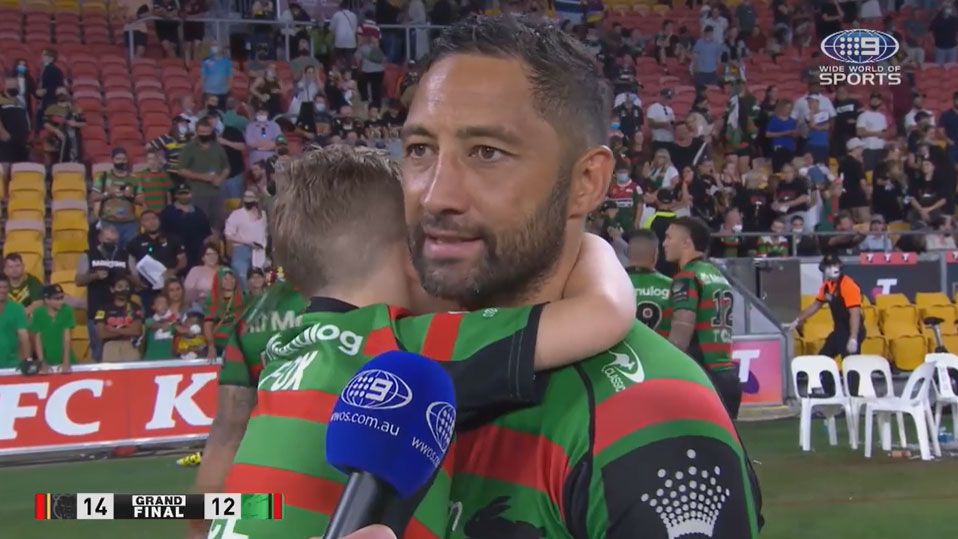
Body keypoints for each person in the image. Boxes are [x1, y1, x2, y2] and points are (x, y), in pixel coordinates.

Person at [399, 15, 760, 537]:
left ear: (587, 182)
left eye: (486, 153)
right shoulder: (387, 367)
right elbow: (255, 507)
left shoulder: (654, 422)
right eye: (419, 150)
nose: (435, 195)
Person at [194, 147, 637, 539]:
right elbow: (603, 311)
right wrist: (585, 240)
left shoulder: (284, 354)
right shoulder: (411, 347)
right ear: (413, 255)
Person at [661, 216, 741, 418]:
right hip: (727, 374)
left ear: (686, 243)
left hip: (702, 377)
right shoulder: (718, 276)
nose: (664, 243)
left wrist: (660, 370)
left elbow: (681, 333)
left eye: (669, 238)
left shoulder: (687, 277)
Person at [789, 254, 864, 390]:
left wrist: (853, 338)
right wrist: (797, 320)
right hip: (839, 331)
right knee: (823, 360)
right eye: (828, 266)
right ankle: (831, 393)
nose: (831, 269)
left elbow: (855, 313)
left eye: (834, 265)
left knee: (851, 365)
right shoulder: (827, 286)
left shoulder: (848, 285)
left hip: (852, 329)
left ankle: (855, 401)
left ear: (840, 267)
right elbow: (816, 305)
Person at [173, 117, 230, 230]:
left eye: (207, 132)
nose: (204, 134)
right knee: (199, 225)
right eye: (202, 132)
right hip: (198, 193)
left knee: (218, 224)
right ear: (197, 132)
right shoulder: (189, 148)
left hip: (217, 193)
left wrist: (221, 178)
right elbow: (181, 170)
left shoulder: (217, 147)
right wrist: (203, 177)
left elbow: (226, 167)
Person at [128, 211, 188, 313]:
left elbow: (183, 260)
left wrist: (173, 271)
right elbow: (131, 262)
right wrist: (135, 279)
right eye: (147, 220)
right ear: (141, 223)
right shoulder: (135, 242)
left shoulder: (173, 239)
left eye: (154, 218)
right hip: (148, 289)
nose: (151, 222)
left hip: (170, 287)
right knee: (151, 318)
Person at [91, 147, 142, 248]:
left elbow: (141, 200)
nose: (121, 161)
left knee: (130, 252)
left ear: (127, 160)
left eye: (123, 159)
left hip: (129, 224)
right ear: (113, 160)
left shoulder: (134, 179)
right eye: (118, 159)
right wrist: (108, 194)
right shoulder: (103, 177)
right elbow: (93, 197)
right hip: (108, 223)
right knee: (111, 251)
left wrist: (130, 197)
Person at [627, 229, 672, 336]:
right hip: (661, 351)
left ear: (628, 252)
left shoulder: (610, 284)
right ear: (656, 253)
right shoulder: (673, 286)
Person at [160, 184, 214, 269]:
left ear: (191, 194)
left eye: (186, 193)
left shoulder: (199, 212)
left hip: (196, 254)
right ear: (176, 195)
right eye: (181, 194)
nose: (184, 196)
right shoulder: (167, 212)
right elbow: (162, 234)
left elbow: (207, 235)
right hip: (175, 254)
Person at [224, 190, 268, 292]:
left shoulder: (263, 215)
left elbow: (265, 233)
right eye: (246, 197)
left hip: (259, 251)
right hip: (242, 250)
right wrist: (247, 242)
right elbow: (228, 234)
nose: (248, 200)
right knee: (243, 276)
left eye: (251, 197)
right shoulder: (236, 214)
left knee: (262, 279)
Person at [94, 275, 143, 363]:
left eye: (126, 287)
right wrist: (127, 330)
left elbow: (137, 331)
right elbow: (102, 334)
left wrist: (112, 329)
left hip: (130, 345)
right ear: (112, 289)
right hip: (110, 346)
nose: (124, 289)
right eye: (120, 287)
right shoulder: (102, 308)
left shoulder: (135, 306)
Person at [29, 284, 76, 372]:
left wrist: (66, 361)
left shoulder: (67, 310)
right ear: (47, 300)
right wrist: (41, 361)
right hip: (48, 359)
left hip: (67, 358)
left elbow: (67, 338)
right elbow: (38, 339)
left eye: (62, 298)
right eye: (57, 299)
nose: (61, 302)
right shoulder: (38, 313)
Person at [202, 267, 244, 360]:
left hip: (239, 342)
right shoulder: (212, 300)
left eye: (232, 278)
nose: (230, 281)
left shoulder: (244, 298)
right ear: (219, 280)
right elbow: (208, 325)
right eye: (226, 278)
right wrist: (211, 346)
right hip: (219, 344)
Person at [0, 275, 31, 369]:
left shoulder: (17, 309)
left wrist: (27, 361)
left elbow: (24, 336)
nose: (2, 290)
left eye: (4, 287)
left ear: (9, 288)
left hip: (12, 365)